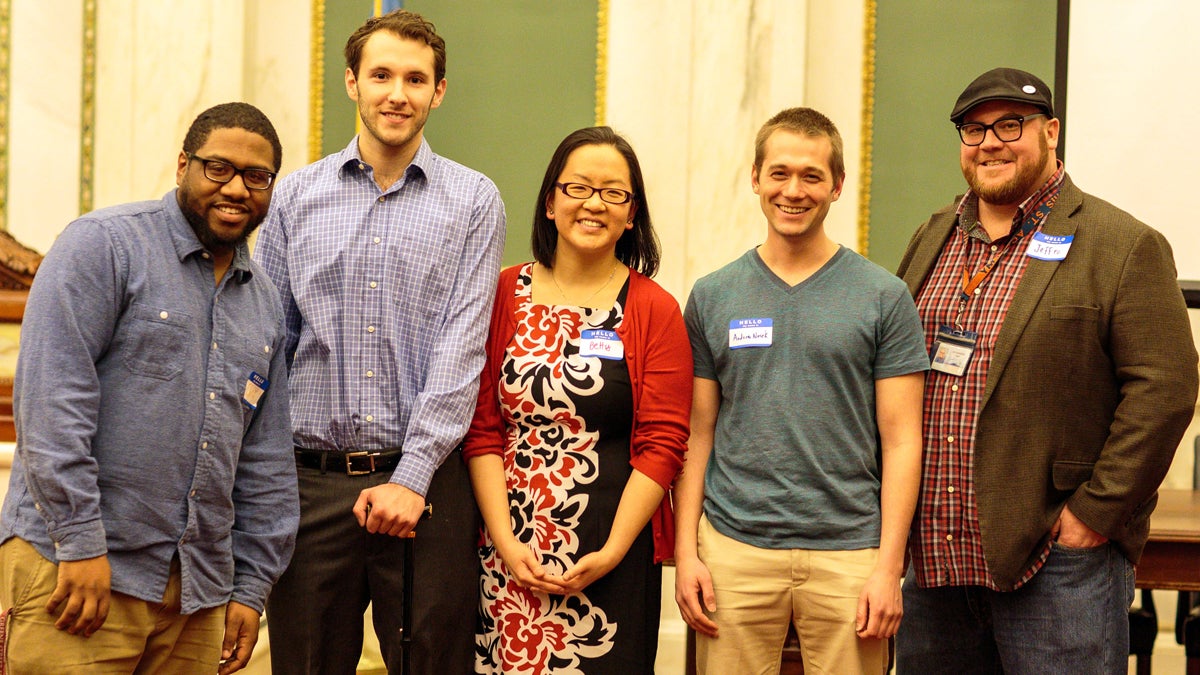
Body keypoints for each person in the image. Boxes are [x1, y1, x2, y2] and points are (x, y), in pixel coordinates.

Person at [893, 67, 1200, 674]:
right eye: (973, 129)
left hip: (1055, 561)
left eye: (1011, 124)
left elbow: (1165, 388)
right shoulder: (934, 235)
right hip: (933, 562)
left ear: (1051, 132)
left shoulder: (1122, 243)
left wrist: (1092, 516)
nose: (990, 142)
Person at [0, 101, 297, 674]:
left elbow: (265, 461)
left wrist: (251, 585)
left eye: (256, 177)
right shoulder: (103, 246)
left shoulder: (262, 301)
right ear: (183, 164)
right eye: (218, 168)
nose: (236, 188)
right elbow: (52, 407)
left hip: (197, 597)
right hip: (78, 571)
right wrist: (81, 543)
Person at [253, 8, 506, 674]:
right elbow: (269, 341)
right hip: (312, 483)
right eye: (382, 75)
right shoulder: (295, 197)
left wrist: (414, 475)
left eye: (416, 79)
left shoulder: (474, 200)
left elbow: (463, 346)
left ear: (439, 91)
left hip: (427, 484)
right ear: (352, 82)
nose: (398, 93)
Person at [674, 107, 928, 674]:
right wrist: (687, 551)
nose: (794, 190)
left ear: (837, 185)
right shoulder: (713, 296)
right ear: (756, 178)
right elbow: (697, 431)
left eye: (812, 176)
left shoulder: (884, 297)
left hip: (851, 553)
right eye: (780, 173)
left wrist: (889, 568)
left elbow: (903, 439)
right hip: (734, 549)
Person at [463, 126, 691, 673]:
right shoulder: (501, 292)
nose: (595, 203)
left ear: (632, 214)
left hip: (610, 552)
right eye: (578, 188)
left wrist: (612, 552)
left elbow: (664, 442)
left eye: (615, 193)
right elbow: (482, 427)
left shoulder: (654, 308)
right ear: (550, 202)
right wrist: (506, 543)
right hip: (505, 550)